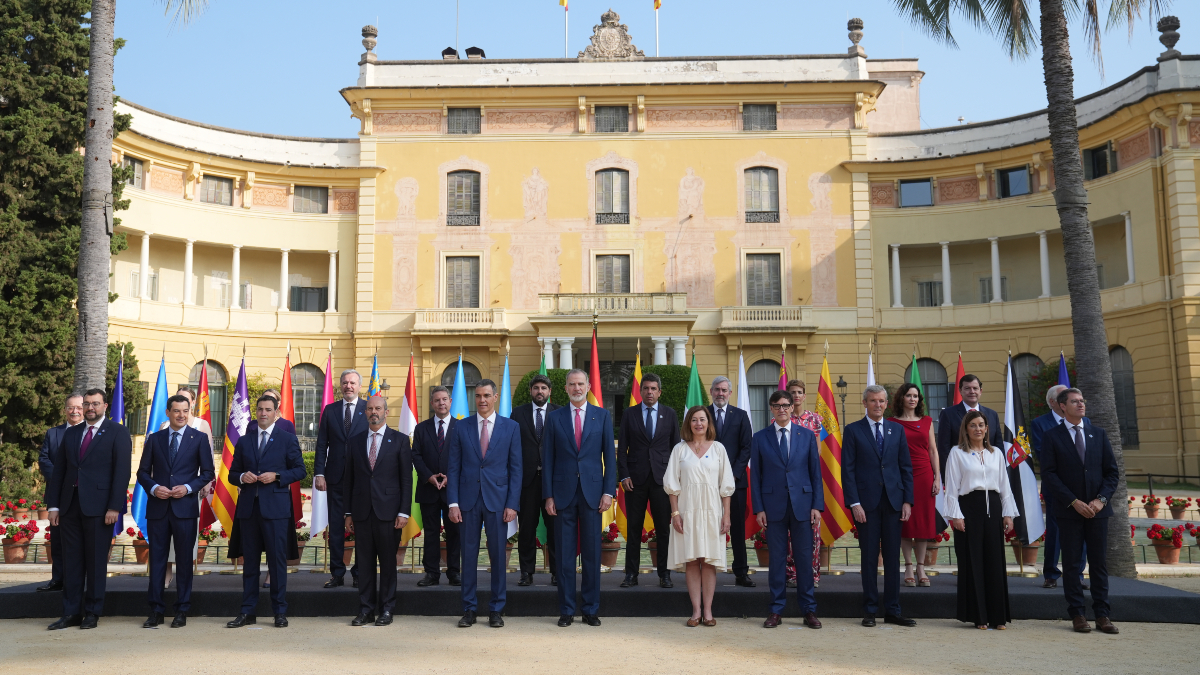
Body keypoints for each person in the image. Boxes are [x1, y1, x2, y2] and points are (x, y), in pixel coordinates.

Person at [46, 389, 133, 630]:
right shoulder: (72, 433)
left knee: (95, 562)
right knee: (72, 561)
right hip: (69, 507)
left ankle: (92, 613)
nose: (90, 408)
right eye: (86, 404)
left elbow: (122, 472)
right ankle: (70, 613)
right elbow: (60, 471)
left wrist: (115, 506)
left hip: (100, 508)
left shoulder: (118, 432)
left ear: (105, 406)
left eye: (95, 403)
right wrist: (54, 506)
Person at [1039, 388, 1120, 635]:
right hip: (1069, 511)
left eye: (1082, 400)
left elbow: (1112, 473)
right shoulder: (1052, 437)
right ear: (1062, 406)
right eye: (1075, 401)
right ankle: (1077, 614)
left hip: (1098, 512)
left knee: (1098, 565)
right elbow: (1049, 475)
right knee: (1072, 565)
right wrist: (1073, 502)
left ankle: (1103, 615)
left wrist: (1101, 500)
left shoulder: (1099, 434)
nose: (1081, 404)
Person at [543, 369, 616, 627]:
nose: (576, 388)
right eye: (572, 384)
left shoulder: (602, 416)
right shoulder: (554, 418)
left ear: (587, 386)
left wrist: (609, 492)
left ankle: (590, 610)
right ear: (565, 388)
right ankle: (566, 610)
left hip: (593, 495)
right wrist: (548, 495)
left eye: (580, 384)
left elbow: (610, 457)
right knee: (563, 556)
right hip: (562, 495)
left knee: (592, 555)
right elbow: (548, 460)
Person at [136, 394, 215, 628]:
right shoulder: (155, 438)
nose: (181, 415)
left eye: (185, 410)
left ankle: (182, 610)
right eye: (176, 411)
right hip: (158, 508)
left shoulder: (199, 438)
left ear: (190, 411)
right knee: (158, 561)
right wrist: (154, 488)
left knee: (183, 561)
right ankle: (156, 610)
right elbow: (142, 473)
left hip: (185, 508)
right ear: (168, 413)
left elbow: (208, 473)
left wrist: (189, 488)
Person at [225, 396, 305, 628]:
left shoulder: (287, 439)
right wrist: (242, 477)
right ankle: (247, 612)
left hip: (276, 511)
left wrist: (278, 476)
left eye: (268, 410)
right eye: (259, 410)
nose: (263, 413)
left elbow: (300, 470)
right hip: (249, 510)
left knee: (277, 563)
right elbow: (232, 474)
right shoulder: (244, 440)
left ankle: (279, 612)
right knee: (249, 562)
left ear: (276, 413)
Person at [448, 380, 522, 628]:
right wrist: (453, 503)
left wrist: (512, 504)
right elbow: (454, 467)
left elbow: (516, 469)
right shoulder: (461, 427)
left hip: (499, 501)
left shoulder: (511, 427)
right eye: (478, 395)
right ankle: (469, 609)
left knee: (498, 557)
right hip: (467, 501)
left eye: (487, 395)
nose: (481, 400)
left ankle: (496, 610)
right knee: (467, 557)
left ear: (495, 397)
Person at [841, 384, 915, 628]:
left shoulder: (897, 430)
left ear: (886, 403)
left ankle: (893, 610)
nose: (878, 405)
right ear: (865, 403)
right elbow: (847, 470)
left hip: (894, 502)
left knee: (893, 558)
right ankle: (870, 610)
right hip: (866, 504)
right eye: (873, 401)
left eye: (882, 401)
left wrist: (907, 501)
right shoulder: (853, 431)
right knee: (870, 558)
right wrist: (854, 503)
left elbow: (905, 467)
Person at [752, 391, 824, 629]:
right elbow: (756, 477)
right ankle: (776, 610)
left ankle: (809, 610)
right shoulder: (760, 437)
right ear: (771, 409)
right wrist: (759, 509)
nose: (781, 409)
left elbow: (815, 473)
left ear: (792, 408)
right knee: (777, 562)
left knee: (804, 560)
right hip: (773, 508)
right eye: (776, 405)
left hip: (803, 506)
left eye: (785, 405)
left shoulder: (807, 435)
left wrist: (817, 506)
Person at [944, 410, 1017, 629]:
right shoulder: (957, 453)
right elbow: (951, 489)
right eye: (973, 425)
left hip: (994, 509)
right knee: (972, 562)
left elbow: (1005, 487)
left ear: (987, 428)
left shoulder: (996, 453)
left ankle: (997, 616)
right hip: (969, 509)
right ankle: (979, 617)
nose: (978, 429)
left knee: (994, 562)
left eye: (982, 425)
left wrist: (1008, 513)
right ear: (966, 429)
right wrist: (956, 515)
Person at [343, 396, 412, 627]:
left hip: (389, 513)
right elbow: (349, 479)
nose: (374, 412)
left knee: (388, 564)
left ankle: (387, 609)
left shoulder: (400, 440)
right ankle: (366, 610)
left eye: (378, 408)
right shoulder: (355, 441)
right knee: (364, 563)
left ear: (386, 411)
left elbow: (406, 479)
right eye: (370, 408)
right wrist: (348, 513)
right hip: (362, 512)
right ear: (365, 412)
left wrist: (404, 512)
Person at [665, 406, 735, 627]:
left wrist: (727, 515)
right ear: (688, 423)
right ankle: (695, 612)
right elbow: (672, 485)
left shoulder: (718, 449)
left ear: (708, 423)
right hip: (686, 510)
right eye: (694, 420)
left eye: (702, 419)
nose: (698, 424)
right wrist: (675, 513)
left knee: (708, 561)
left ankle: (709, 611)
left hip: (713, 511)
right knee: (692, 561)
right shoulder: (679, 450)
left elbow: (726, 485)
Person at [617, 373, 681, 589]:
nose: (650, 392)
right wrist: (624, 475)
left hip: (662, 481)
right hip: (635, 480)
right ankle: (631, 574)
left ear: (659, 392)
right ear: (641, 391)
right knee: (634, 528)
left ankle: (664, 574)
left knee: (663, 529)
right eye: (646, 388)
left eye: (654, 388)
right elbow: (622, 449)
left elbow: (676, 450)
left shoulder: (670, 414)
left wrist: (675, 479)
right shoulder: (629, 414)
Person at [1029, 383, 1088, 590]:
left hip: (1082, 487)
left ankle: (1078, 574)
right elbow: (1041, 452)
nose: (1076, 403)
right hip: (1056, 486)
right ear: (1055, 403)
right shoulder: (1040, 424)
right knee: (1054, 530)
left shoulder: (1085, 422)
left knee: (1081, 531)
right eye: (1067, 397)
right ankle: (1051, 574)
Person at [314, 369, 367, 589]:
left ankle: (358, 573)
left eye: (353, 383)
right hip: (335, 478)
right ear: (340, 385)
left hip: (362, 479)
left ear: (359, 386)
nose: (349, 386)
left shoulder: (369, 408)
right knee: (336, 527)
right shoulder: (330, 410)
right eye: (345, 383)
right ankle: (337, 573)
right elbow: (321, 444)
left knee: (362, 528)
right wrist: (319, 473)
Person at [889, 383, 940, 587]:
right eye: (909, 395)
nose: (913, 399)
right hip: (900, 475)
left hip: (924, 475)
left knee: (922, 522)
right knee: (905, 521)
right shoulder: (891, 422)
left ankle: (921, 567)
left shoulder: (927, 421)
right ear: (901, 398)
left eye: (916, 396)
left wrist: (937, 477)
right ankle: (908, 566)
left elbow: (933, 451)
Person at [410, 386, 461, 587]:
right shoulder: (421, 428)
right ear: (432, 404)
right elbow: (416, 455)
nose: (441, 403)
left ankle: (454, 572)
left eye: (445, 399)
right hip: (428, 488)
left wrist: (451, 477)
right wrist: (429, 476)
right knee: (430, 533)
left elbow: (465, 456)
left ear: (450, 402)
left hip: (453, 490)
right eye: (437, 400)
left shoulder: (461, 426)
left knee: (454, 533)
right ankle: (431, 573)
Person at [511, 374, 559, 586]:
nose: (540, 391)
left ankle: (557, 572)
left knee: (555, 529)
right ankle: (526, 573)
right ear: (530, 391)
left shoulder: (559, 413)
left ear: (549, 392)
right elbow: (512, 447)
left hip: (553, 482)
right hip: (526, 482)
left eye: (544, 388)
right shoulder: (517, 413)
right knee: (527, 530)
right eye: (536, 388)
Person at [707, 377, 754, 587]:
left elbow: (746, 448)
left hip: (735, 482)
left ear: (730, 393)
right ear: (711, 391)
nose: (720, 393)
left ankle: (741, 572)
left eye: (724, 390)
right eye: (717, 390)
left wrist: (732, 476)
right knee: (707, 527)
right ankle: (707, 572)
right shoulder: (702, 414)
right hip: (706, 482)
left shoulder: (741, 416)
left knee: (736, 529)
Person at [36, 394, 84, 593]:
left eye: (79, 408)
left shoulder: (91, 434)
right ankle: (58, 579)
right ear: (65, 410)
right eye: (70, 408)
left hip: (83, 497)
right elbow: (44, 459)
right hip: (58, 497)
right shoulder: (53, 433)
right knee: (57, 540)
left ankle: (80, 582)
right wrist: (61, 479)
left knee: (82, 541)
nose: (75, 411)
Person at [787, 379, 821, 590]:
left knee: (812, 530)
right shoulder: (781, 419)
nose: (796, 395)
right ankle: (791, 574)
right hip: (788, 482)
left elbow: (817, 453)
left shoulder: (815, 420)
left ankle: (812, 574)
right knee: (790, 533)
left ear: (804, 395)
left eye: (800, 392)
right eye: (793, 392)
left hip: (808, 480)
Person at [936, 374, 1002, 478]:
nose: (972, 392)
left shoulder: (992, 414)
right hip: (961, 474)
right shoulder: (948, 414)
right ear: (960, 391)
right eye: (967, 388)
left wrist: (1000, 473)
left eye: (975, 388)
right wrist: (947, 477)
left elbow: (998, 446)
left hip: (990, 473)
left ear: (980, 391)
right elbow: (944, 448)